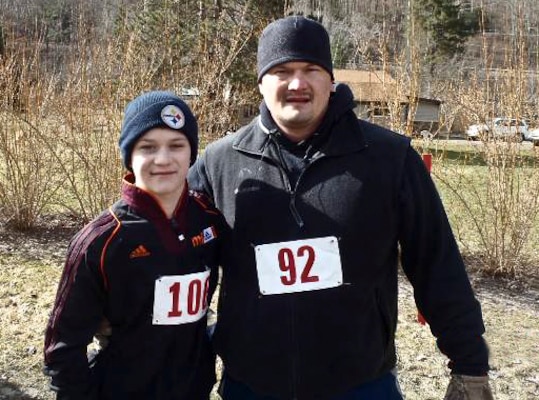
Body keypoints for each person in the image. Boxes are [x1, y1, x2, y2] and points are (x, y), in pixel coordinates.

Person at [188, 15, 494, 400]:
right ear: (261, 83)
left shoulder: (389, 159)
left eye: (311, 69)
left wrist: (470, 365)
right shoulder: (219, 163)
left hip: (361, 384)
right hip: (251, 385)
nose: (297, 83)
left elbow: (438, 266)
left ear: (331, 80)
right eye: (282, 71)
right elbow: (177, 257)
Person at [44, 91, 226, 399]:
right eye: (148, 147)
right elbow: (63, 347)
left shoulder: (209, 221)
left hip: (193, 390)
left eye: (177, 145)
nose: (163, 159)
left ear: (192, 153)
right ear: (129, 156)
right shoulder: (102, 241)